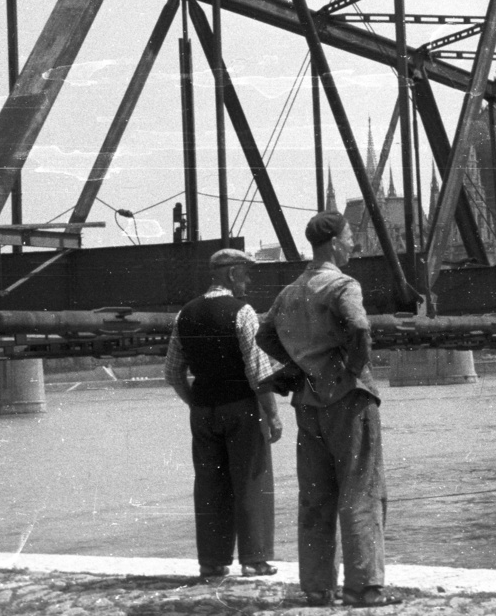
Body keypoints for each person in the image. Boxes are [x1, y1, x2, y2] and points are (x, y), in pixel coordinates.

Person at [257, 212, 386, 608]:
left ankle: (316, 587)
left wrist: (298, 365)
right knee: (361, 491)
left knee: (316, 497)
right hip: (348, 399)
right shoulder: (342, 285)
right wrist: (350, 369)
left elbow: (265, 334)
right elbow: (360, 329)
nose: (354, 245)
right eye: (350, 238)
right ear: (332, 242)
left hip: (308, 402)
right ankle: (363, 587)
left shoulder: (291, 292)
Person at [163, 248, 284, 579]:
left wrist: (194, 402)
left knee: (209, 485)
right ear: (232, 275)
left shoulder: (184, 314)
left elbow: (172, 372)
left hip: (202, 411)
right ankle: (254, 560)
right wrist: (272, 415)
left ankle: (212, 562)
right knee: (251, 479)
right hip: (241, 408)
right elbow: (258, 370)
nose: (248, 280)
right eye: (246, 273)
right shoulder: (243, 312)